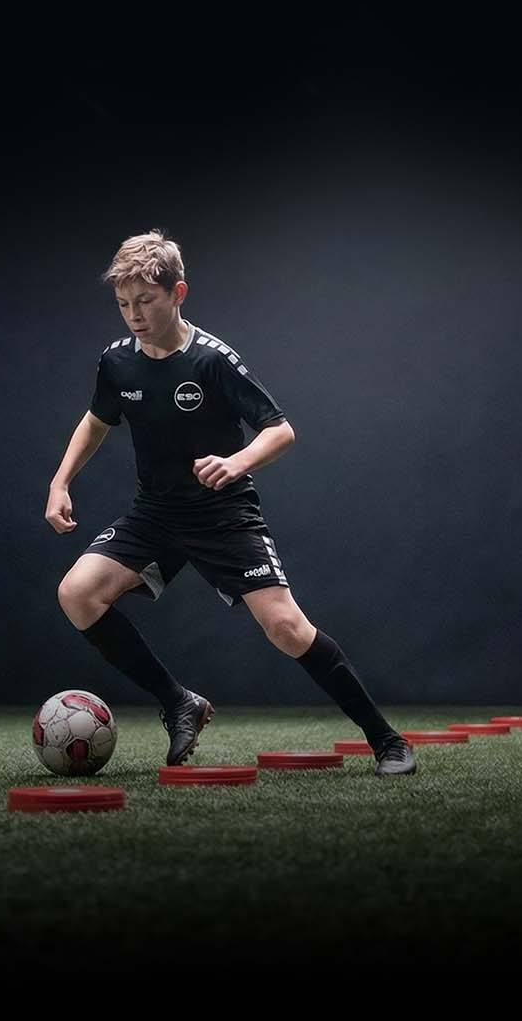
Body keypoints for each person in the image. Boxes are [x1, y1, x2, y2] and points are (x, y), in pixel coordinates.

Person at [45, 231, 415, 775]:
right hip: (155, 513)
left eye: (145, 301)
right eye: (123, 304)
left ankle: (387, 742)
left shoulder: (213, 361)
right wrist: (60, 482)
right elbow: (97, 420)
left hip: (222, 513)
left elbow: (280, 430)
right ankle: (178, 702)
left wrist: (237, 461)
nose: (134, 315)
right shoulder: (117, 362)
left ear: (178, 293)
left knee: (287, 629)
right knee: (77, 594)